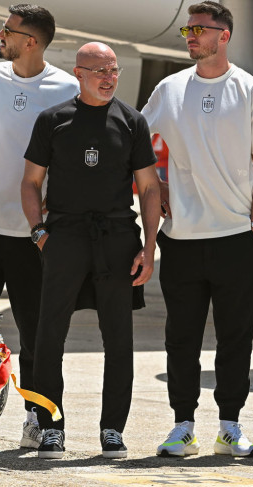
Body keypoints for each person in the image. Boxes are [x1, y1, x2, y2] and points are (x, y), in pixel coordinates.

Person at [141, 0, 253, 458]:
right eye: (188, 29)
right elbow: (137, 145)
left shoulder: (252, 93)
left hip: (234, 239)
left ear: (223, 36)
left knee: (235, 339)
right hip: (181, 238)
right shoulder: (168, 89)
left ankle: (229, 426)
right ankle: (182, 426)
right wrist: (158, 184)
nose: (190, 36)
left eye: (200, 29)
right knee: (180, 339)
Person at [23, 42, 160, 459]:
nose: (108, 77)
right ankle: (50, 427)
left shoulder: (132, 121)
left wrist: (149, 248)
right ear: (78, 73)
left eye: (114, 70)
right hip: (63, 237)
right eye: (99, 70)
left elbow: (150, 187)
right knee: (49, 337)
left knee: (118, 339)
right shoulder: (53, 120)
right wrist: (39, 233)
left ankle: (112, 429)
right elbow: (31, 183)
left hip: (117, 240)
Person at [0, 3, 79, 449]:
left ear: (31, 41)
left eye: (7, 30)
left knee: (40, 336)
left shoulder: (66, 87)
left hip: (36, 234)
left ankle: (44, 423)